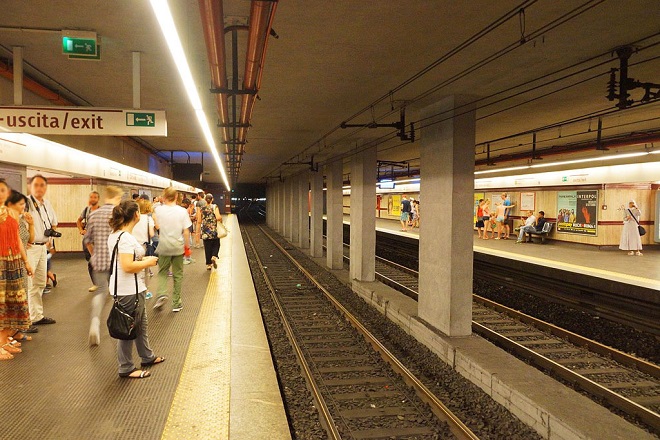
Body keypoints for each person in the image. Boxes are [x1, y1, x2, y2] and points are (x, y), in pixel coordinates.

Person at [108, 200, 164, 378]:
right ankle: (126, 367)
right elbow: (126, 266)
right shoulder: (124, 238)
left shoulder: (116, 234)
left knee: (140, 325)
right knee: (128, 328)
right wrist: (147, 261)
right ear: (136, 215)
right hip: (127, 290)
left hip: (131, 287)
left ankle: (147, 356)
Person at [83, 186, 123, 346]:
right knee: (118, 294)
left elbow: (87, 240)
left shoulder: (93, 214)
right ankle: (116, 326)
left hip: (99, 261)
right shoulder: (118, 214)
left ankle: (94, 324)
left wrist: (94, 254)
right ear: (117, 198)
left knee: (100, 292)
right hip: (117, 261)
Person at [0, 180, 33, 360]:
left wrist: (26, 261)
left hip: (12, 262)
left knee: (11, 303)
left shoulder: (11, 213)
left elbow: (18, 239)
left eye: (4, 190)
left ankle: (4, 341)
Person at [25, 174, 57, 328]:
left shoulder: (47, 204)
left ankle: (37, 316)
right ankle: (26, 319)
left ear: (46, 188)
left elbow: (53, 223)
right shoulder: (25, 203)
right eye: (36, 185)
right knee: (29, 284)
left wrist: (50, 240)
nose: (39, 188)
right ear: (30, 187)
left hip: (42, 248)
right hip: (30, 248)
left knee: (39, 283)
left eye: (42, 185)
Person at [152, 187, 192, 312]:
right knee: (178, 275)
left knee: (163, 271)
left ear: (164, 197)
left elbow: (156, 224)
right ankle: (176, 303)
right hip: (177, 246)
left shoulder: (158, 210)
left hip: (163, 245)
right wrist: (187, 247)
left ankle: (162, 293)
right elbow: (186, 232)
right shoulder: (182, 211)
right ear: (176, 197)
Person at [77, 191, 100, 292]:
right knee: (91, 262)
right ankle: (95, 283)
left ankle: (106, 282)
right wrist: (81, 230)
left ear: (98, 199)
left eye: (95, 197)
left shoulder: (101, 210)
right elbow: (78, 221)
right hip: (88, 240)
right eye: (91, 197)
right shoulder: (86, 210)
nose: (93, 199)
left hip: (99, 239)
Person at [133, 198, 155, 299]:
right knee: (144, 269)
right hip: (144, 246)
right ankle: (145, 291)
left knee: (135, 268)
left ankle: (134, 290)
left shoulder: (133, 218)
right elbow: (151, 233)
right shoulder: (148, 219)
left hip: (132, 245)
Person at [197, 193, 222, 270]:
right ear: (212, 199)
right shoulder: (215, 207)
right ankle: (214, 256)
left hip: (205, 231)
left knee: (207, 247)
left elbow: (199, 221)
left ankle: (209, 264)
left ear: (205, 200)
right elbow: (218, 217)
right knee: (216, 244)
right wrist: (220, 218)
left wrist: (197, 233)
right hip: (214, 230)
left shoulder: (201, 208)